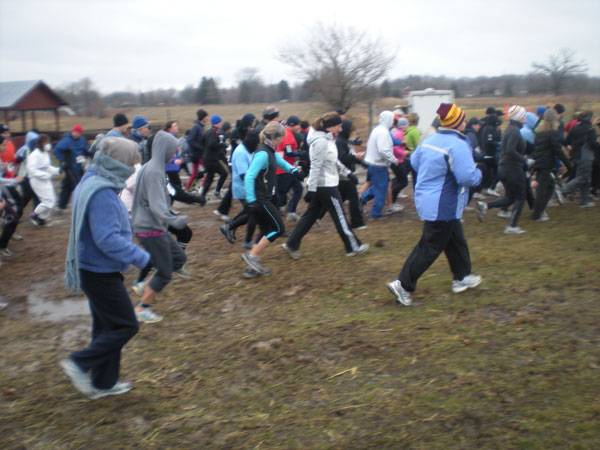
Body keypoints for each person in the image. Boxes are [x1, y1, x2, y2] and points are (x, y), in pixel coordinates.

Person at [62, 136, 150, 400]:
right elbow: (106, 238)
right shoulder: (101, 191)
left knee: (106, 327)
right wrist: (142, 258)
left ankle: (103, 383)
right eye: (133, 160)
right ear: (120, 162)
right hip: (99, 272)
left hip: (94, 268)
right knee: (125, 326)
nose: (136, 164)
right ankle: (79, 362)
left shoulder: (92, 180)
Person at [387, 103, 483, 306]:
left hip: (430, 199)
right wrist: (479, 173)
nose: (465, 122)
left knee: (455, 239)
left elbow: (415, 162)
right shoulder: (457, 144)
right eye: (463, 119)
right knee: (430, 247)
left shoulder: (431, 138)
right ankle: (402, 285)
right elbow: (467, 177)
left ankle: (461, 276)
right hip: (443, 203)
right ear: (457, 122)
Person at [282, 112, 368, 260]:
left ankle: (291, 244)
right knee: (340, 215)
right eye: (339, 126)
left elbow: (333, 160)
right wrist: (312, 188)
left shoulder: (327, 139)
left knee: (310, 216)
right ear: (331, 127)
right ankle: (353, 246)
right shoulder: (320, 142)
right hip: (325, 186)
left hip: (326, 183)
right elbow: (316, 166)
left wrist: (347, 174)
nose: (341, 129)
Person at [130, 131, 188, 323]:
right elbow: (156, 206)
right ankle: (141, 308)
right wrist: (173, 220)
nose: (174, 155)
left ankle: (145, 285)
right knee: (164, 272)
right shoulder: (154, 171)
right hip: (149, 228)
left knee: (179, 258)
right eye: (173, 151)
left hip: (153, 226)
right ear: (164, 149)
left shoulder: (152, 167)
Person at [240, 122, 304, 276]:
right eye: (281, 137)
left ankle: (250, 269)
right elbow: (249, 176)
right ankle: (252, 256)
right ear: (275, 137)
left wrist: (293, 170)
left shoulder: (269, 150)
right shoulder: (263, 153)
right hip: (260, 199)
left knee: (264, 231)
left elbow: (279, 161)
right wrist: (251, 200)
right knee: (278, 229)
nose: (283, 140)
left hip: (262, 197)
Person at [477, 105, 532, 234]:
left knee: (510, 197)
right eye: (523, 115)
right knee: (520, 196)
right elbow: (510, 150)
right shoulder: (514, 131)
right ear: (518, 117)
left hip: (504, 167)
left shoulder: (510, 129)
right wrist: (525, 161)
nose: (525, 117)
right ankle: (511, 226)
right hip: (512, 168)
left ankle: (485, 206)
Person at [219, 131, 260, 254]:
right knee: (254, 213)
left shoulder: (248, 149)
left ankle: (230, 227)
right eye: (257, 144)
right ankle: (241, 236)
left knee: (249, 212)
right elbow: (244, 175)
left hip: (248, 187)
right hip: (243, 188)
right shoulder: (241, 152)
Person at [530, 108, 571, 221]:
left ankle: (539, 210)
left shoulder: (540, 132)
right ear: (554, 120)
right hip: (545, 164)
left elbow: (536, 149)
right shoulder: (552, 133)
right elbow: (557, 150)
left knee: (548, 186)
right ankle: (537, 215)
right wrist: (568, 164)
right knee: (544, 189)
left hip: (539, 163)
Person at [360, 111, 398, 219]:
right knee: (381, 190)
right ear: (389, 120)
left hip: (374, 164)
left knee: (379, 187)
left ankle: (363, 199)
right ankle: (376, 214)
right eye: (392, 119)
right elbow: (383, 150)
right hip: (379, 166)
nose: (393, 122)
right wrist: (393, 159)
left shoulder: (377, 130)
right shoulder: (383, 132)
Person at [561, 110, 599, 207]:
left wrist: (570, 147)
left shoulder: (574, 128)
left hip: (575, 156)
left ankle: (584, 201)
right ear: (589, 118)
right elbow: (592, 144)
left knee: (586, 179)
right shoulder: (590, 129)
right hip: (586, 156)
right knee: (583, 177)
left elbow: (566, 141)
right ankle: (564, 190)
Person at [275, 115, 304, 221]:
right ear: (292, 125)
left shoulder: (287, 133)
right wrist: (300, 154)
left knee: (298, 189)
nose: (299, 127)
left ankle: (291, 212)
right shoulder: (288, 135)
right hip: (284, 169)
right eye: (297, 125)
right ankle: (278, 213)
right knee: (281, 192)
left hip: (286, 168)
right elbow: (288, 152)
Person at [53, 124, 89, 211]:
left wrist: (89, 154)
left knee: (67, 185)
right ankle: (80, 205)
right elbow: (57, 150)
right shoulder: (66, 140)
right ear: (72, 131)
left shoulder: (82, 140)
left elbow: (86, 149)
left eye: (78, 133)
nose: (76, 134)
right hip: (70, 166)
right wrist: (63, 160)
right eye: (75, 132)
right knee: (78, 185)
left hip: (79, 166)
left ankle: (61, 205)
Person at [27, 134, 60, 226]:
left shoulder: (45, 154)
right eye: (46, 142)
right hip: (36, 180)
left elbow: (47, 167)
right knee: (47, 201)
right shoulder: (34, 155)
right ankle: (35, 214)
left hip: (46, 180)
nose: (47, 144)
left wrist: (57, 170)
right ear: (41, 143)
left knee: (52, 201)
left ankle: (42, 218)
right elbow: (32, 170)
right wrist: (45, 175)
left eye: (48, 142)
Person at [198, 115, 228, 202]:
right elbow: (212, 144)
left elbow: (202, 142)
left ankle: (203, 196)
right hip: (211, 160)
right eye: (220, 122)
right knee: (223, 174)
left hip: (209, 159)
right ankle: (216, 192)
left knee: (210, 178)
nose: (221, 123)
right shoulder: (213, 132)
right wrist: (222, 145)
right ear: (217, 123)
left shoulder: (209, 132)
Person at [185, 109, 208, 190]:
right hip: (197, 155)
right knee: (209, 171)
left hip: (198, 154)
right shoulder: (196, 127)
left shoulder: (201, 127)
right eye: (206, 116)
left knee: (194, 174)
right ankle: (202, 189)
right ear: (203, 117)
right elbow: (190, 141)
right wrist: (201, 147)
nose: (207, 118)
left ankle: (188, 189)